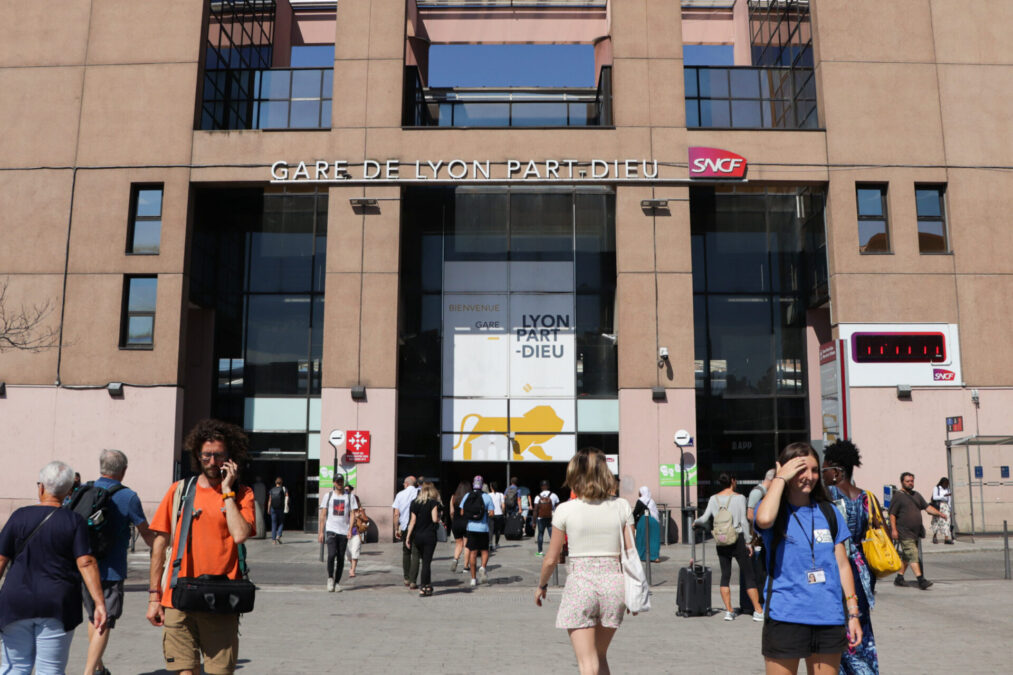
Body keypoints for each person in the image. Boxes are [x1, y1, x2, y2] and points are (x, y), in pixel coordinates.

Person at [146, 419, 256, 675]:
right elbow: (159, 546)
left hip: (221, 596)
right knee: (184, 670)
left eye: (219, 455)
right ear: (197, 454)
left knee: (219, 672)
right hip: (178, 597)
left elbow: (240, 534)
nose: (213, 461)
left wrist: (227, 492)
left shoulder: (243, 494)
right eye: (207, 455)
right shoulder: (180, 491)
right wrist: (154, 597)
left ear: (230, 458)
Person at [754, 442, 862, 675]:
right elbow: (763, 520)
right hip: (786, 616)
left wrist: (853, 614)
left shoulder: (828, 512)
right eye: (800, 470)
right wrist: (779, 479)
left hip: (828, 616)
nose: (809, 476)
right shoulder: (774, 511)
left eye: (814, 470)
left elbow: (843, 566)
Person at [534, 447, 636, 675]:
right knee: (599, 656)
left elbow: (551, 559)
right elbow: (631, 553)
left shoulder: (565, 510)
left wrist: (541, 585)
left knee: (587, 663)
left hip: (581, 583)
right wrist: (632, 591)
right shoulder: (621, 506)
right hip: (614, 584)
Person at [0, 461, 107, 675]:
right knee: (50, 669)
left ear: (41, 487)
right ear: (69, 491)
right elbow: (86, 561)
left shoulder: (19, 516)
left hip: (15, 602)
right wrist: (99, 603)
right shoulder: (74, 521)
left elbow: (1, 560)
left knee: (14, 667)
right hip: (57, 604)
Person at [83, 449, 157, 675]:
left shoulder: (85, 490)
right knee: (105, 620)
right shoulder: (128, 497)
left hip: (86, 567)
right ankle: (88, 672)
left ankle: (99, 667)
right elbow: (145, 532)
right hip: (112, 569)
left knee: (93, 615)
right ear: (123, 471)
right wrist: (163, 549)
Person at [822, 439, 880, 675]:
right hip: (863, 570)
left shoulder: (828, 495)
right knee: (861, 624)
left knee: (840, 627)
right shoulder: (866, 496)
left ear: (836, 472)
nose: (822, 475)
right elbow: (876, 526)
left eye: (825, 470)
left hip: (838, 566)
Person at [693, 474, 763, 621]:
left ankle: (729, 611)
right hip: (737, 538)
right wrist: (749, 541)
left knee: (725, 575)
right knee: (749, 575)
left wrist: (695, 522)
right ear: (732, 481)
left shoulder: (713, 498)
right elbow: (744, 521)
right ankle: (758, 610)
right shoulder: (740, 498)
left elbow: (705, 518)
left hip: (721, 539)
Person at [889, 472, 945, 589]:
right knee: (913, 554)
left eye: (912, 481)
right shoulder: (898, 496)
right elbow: (892, 514)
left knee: (907, 556)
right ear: (902, 482)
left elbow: (927, 508)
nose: (910, 483)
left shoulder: (916, 495)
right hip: (904, 532)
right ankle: (921, 580)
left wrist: (939, 513)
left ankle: (899, 578)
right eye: (907, 481)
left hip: (915, 532)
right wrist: (894, 530)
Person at [319, 474, 358, 592]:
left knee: (341, 557)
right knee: (331, 555)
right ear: (334, 483)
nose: (339, 483)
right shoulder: (328, 496)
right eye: (337, 481)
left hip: (343, 531)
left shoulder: (350, 497)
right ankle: (330, 578)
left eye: (341, 481)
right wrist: (321, 532)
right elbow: (323, 514)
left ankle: (337, 582)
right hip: (331, 529)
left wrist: (350, 530)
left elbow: (352, 514)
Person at [404, 480, 442, 597]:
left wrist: (408, 537)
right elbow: (435, 519)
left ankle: (427, 585)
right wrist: (439, 518)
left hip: (417, 536)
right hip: (429, 536)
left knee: (420, 560)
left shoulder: (414, 503)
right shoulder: (433, 503)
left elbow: (412, 521)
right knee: (426, 563)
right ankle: (424, 587)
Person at [459, 475, 495, 587]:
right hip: (483, 528)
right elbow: (492, 513)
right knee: (484, 550)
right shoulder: (487, 497)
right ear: (482, 484)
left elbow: (461, 512)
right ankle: (483, 567)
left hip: (471, 528)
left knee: (473, 553)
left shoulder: (467, 496)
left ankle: (473, 579)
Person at [391, 475, 419, 585]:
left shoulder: (400, 495)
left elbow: (396, 514)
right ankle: (413, 580)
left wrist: (396, 529)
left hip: (404, 527)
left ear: (406, 484)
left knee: (406, 552)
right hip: (417, 526)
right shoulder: (419, 493)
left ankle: (406, 578)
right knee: (415, 553)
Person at [632, 486, 661, 563]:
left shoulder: (640, 501)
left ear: (641, 493)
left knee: (641, 539)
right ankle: (655, 557)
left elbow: (635, 512)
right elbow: (656, 512)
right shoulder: (652, 501)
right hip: (654, 522)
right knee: (654, 539)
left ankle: (642, 556)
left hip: (643, 521)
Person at [533, 480, 559, 556]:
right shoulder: (554, 495)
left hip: (540, 519)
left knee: (540, 534)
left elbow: (535, 510)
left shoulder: (537, 497)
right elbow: (558, 508)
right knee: (552, 535)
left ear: (541, 487)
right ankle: (554, 552)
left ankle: (540, 552)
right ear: (548, 486)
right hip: (551, 518)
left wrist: (534, 522)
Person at [449, 481, 471, 572]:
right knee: (467, 545)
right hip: (466, 523)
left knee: (458, 544)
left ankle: (455, 559)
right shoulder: (469, 498)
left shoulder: (453, 498)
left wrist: (453, 521)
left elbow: (451, 512)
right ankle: (466, 566)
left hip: (456, 523)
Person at [346, 485, 368, 577]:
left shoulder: (359, 509)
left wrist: (359, 515)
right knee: (348, 555)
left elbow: (366, 519)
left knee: (355, 551)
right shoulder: (345, 509)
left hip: (356, 533)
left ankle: (353, 570)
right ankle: (352, 565)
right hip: (345, 533)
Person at [931, 477, 953, 545]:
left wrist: (950, 509)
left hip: (946, 506)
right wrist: (944, 496)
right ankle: (934, 537)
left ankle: (946, 539)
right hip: (938, 506)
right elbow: (934, 497)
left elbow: (949, 500)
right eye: (946, 484)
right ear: (942, 483)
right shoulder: (936, 488)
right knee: (936, 521)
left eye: (948, 484)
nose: (947, 485)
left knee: (947, 521)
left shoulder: (948, 489)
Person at [266, 477, 289, 545]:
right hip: (281, 508)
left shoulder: (272, 490)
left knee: (274, 523)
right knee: (281, 522)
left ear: (275, 483)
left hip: (273, 508)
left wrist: (268, 509)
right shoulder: (284, 489)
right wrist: (286, 505)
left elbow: (269, 500)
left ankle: (273, 540)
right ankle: (278, 535)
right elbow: (287, 497)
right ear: (281, 482)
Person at [489, 481, 505, 551]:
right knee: (498, 530)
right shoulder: (501, 494)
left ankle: (490, 544)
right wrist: (503, 512)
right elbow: (503, 506)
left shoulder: (488, 495)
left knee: (491, 530)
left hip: (490, 514)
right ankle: (496, 543)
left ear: (491, 487)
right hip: (499, 514)